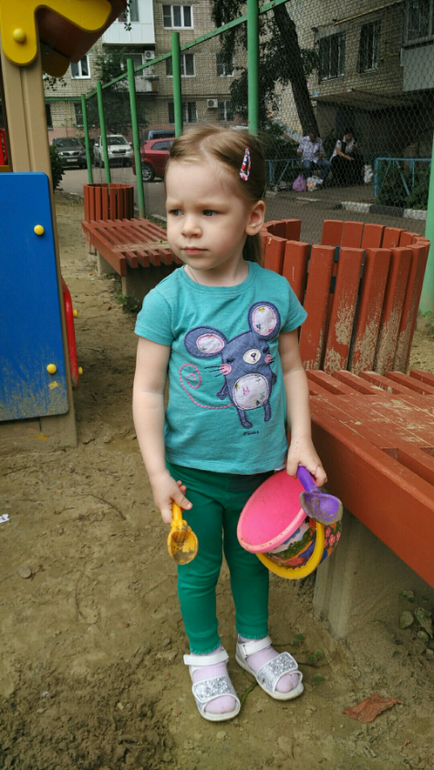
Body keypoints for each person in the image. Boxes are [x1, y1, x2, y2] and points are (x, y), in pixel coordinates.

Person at [132, 125, 327, 723]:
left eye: (208, 212)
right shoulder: (166, 301)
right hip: (190, 474)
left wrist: (300, 439)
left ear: (253, 217)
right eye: (176, 211)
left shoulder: (273, 292)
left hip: (260, 469)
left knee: (250, 562)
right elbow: (147, 390)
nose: (187, 227)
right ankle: (205, 655)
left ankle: (253, 643)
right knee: (197, 569)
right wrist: (157, 473)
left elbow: (291, 369)